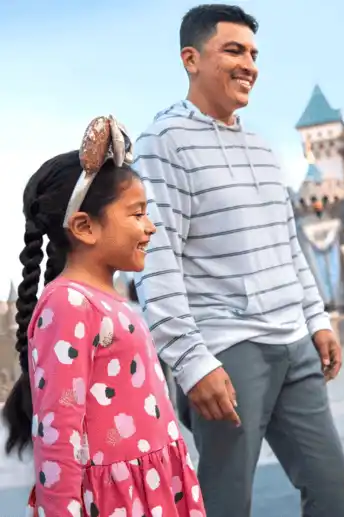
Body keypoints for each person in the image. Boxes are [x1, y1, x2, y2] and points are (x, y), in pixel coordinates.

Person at [131, 4, 344, 516]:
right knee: (227, 503)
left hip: (295, 345)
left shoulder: (263, 148)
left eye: (253, 53)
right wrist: (191, 361)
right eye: (233, 50)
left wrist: (316, 319)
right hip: (228, 353)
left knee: (332, 490)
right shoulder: (162, 143)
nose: (249, 63)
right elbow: (158, 262)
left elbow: (288, 244)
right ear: (191, 58)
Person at [1, 116, 205, 516]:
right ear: (84, 227)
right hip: (117, 501)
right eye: (136, 214)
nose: (150, 228)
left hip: (153, 488)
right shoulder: (67, 304)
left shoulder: (109, 299)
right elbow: (58, 434)